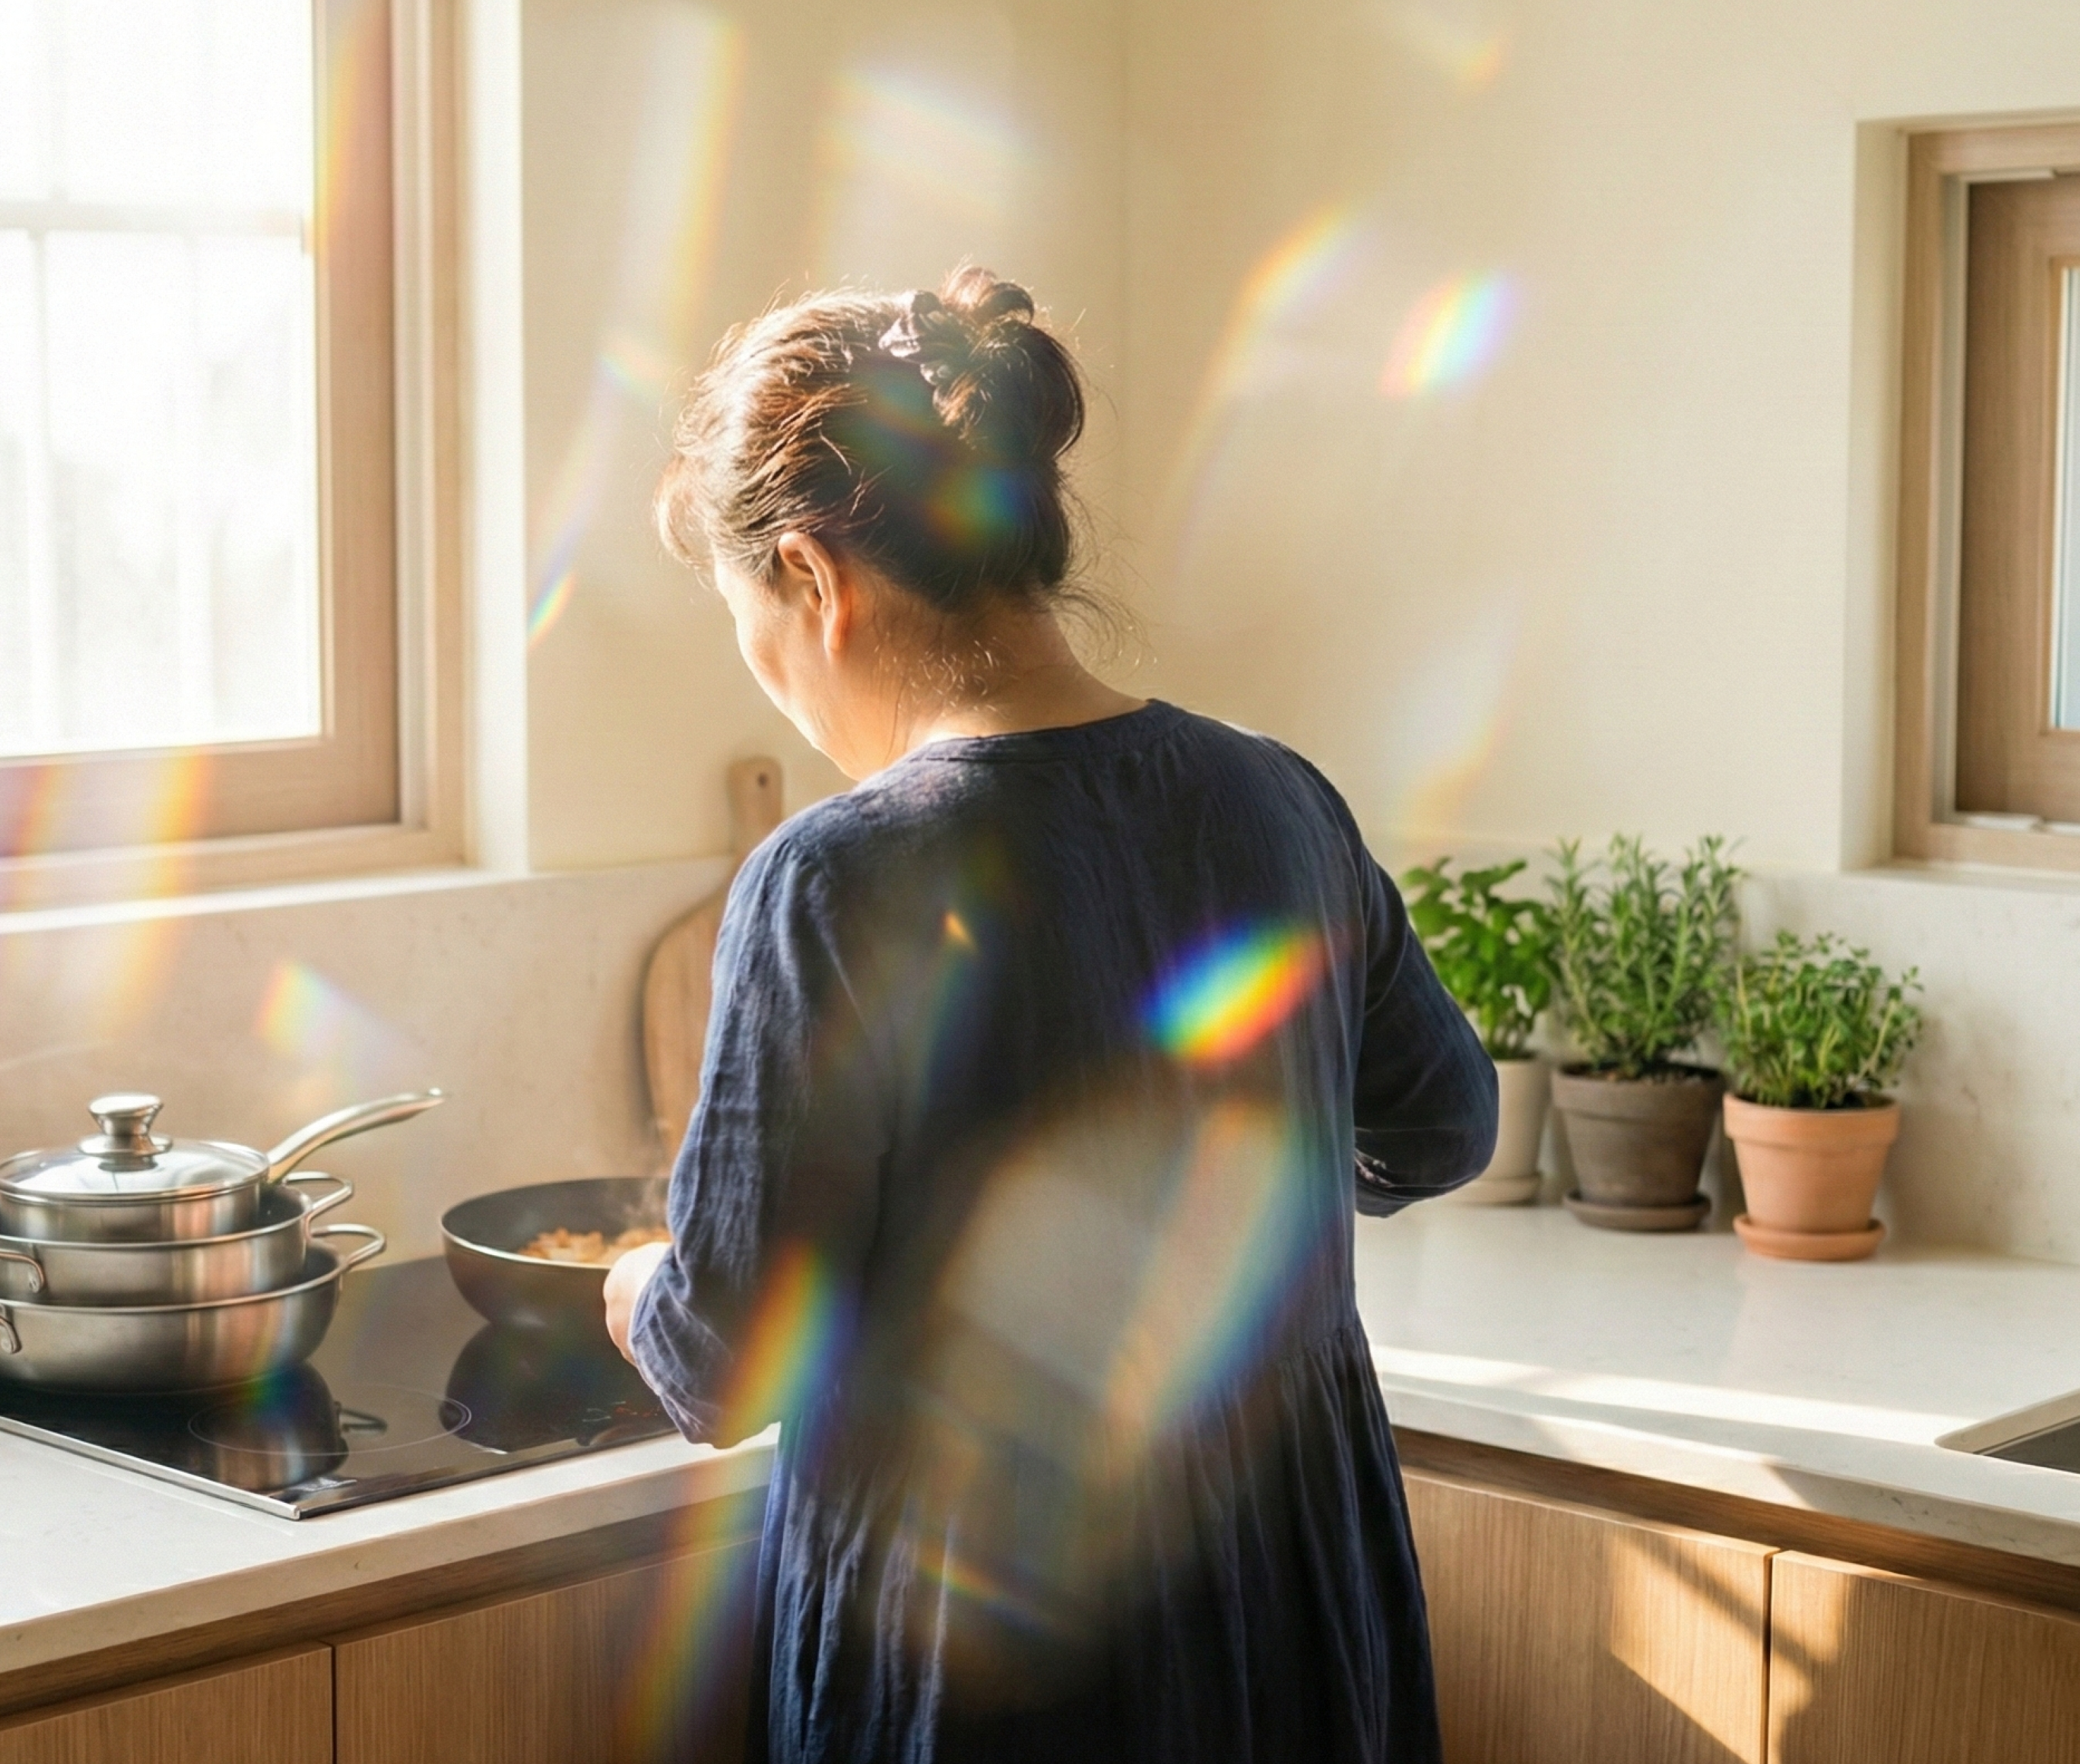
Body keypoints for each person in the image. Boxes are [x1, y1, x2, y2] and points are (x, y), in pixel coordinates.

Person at [602, 266, 1497, 1764]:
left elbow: (724, 1359)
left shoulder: (832, 879)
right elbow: (1441, 1125)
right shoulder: (1275, 798)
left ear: (813, 577)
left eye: (749, 621)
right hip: (1292, 1611)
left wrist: (638, 1283)